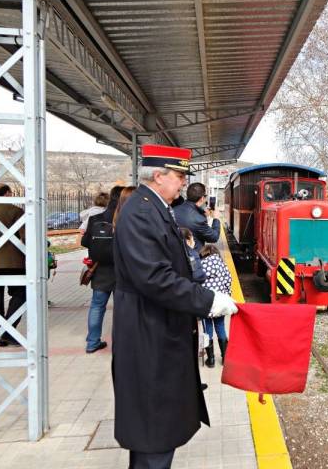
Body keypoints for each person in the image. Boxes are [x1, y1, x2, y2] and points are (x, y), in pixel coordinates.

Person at [112, 144, 238, 469]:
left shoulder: (153, 207)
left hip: (156, 332)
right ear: (158, 176)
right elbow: (155, 278)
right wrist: (208, 301)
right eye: (179, 175)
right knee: (154, 434)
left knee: (154, 434)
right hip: (149, 337)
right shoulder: (141, 212)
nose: (183, 182)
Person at [80, 185, 125, 354]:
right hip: (122, 271)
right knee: (122, 309)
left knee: (97, 306)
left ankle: (92, 342)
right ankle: (121, 344)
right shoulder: (125, 219)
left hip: (100, 270)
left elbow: (84, 242)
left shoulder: (96, 218)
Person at [0, 183, 25, 347]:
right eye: (10, 193)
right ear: (6, 194)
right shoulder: (16, 211)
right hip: (13, 262)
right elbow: (25, 239)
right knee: (21, 294)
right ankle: (7, 331)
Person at [199, 244, 232, 367]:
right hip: (219, 301)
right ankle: (224, 358)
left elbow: (197, 282)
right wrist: (227, 295)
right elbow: (228, 280)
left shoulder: (200, 265)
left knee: (207, 330)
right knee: (220, 327)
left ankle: (211, 359)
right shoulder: (222, 265)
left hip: (206, 302)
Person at [173, 182, 220, 251]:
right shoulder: (198, 219)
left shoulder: (174, 210)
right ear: (202, 198)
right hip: (192, 256)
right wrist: (216, 219)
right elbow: (214, 237)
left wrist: (202, 213)